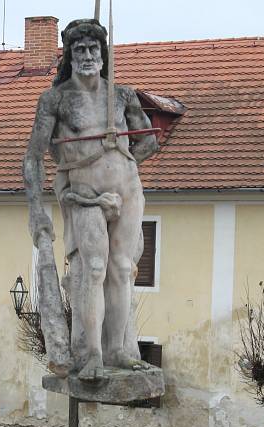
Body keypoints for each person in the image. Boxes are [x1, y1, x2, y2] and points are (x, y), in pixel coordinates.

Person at [23, 19, 159, 381]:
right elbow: (35, 155)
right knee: (93, 270)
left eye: (93, 49)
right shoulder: (56, 98)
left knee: (123, 270)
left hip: (128, 192)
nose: (87, 55)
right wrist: (37, 209)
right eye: (79, 49)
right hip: (84, 196)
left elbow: (149, 141)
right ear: (70, 54)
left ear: (103, 54)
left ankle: (119, 351)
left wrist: (120, 155)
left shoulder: (123, 94)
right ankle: (93, 355)